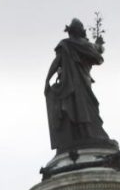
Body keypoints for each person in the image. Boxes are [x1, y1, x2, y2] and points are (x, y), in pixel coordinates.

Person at [43, 18, 115, 153]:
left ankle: (88, 133)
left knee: (86, 107)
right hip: (74, 84)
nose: (85, 30)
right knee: (81, 108)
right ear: (78, 30)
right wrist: (47, 80)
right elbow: (97, 55)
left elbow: (96, 55)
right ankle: (86, 133)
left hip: (82, 82)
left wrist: (47, 80)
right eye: (82, 27)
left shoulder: (74, 44)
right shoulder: (69, 45)